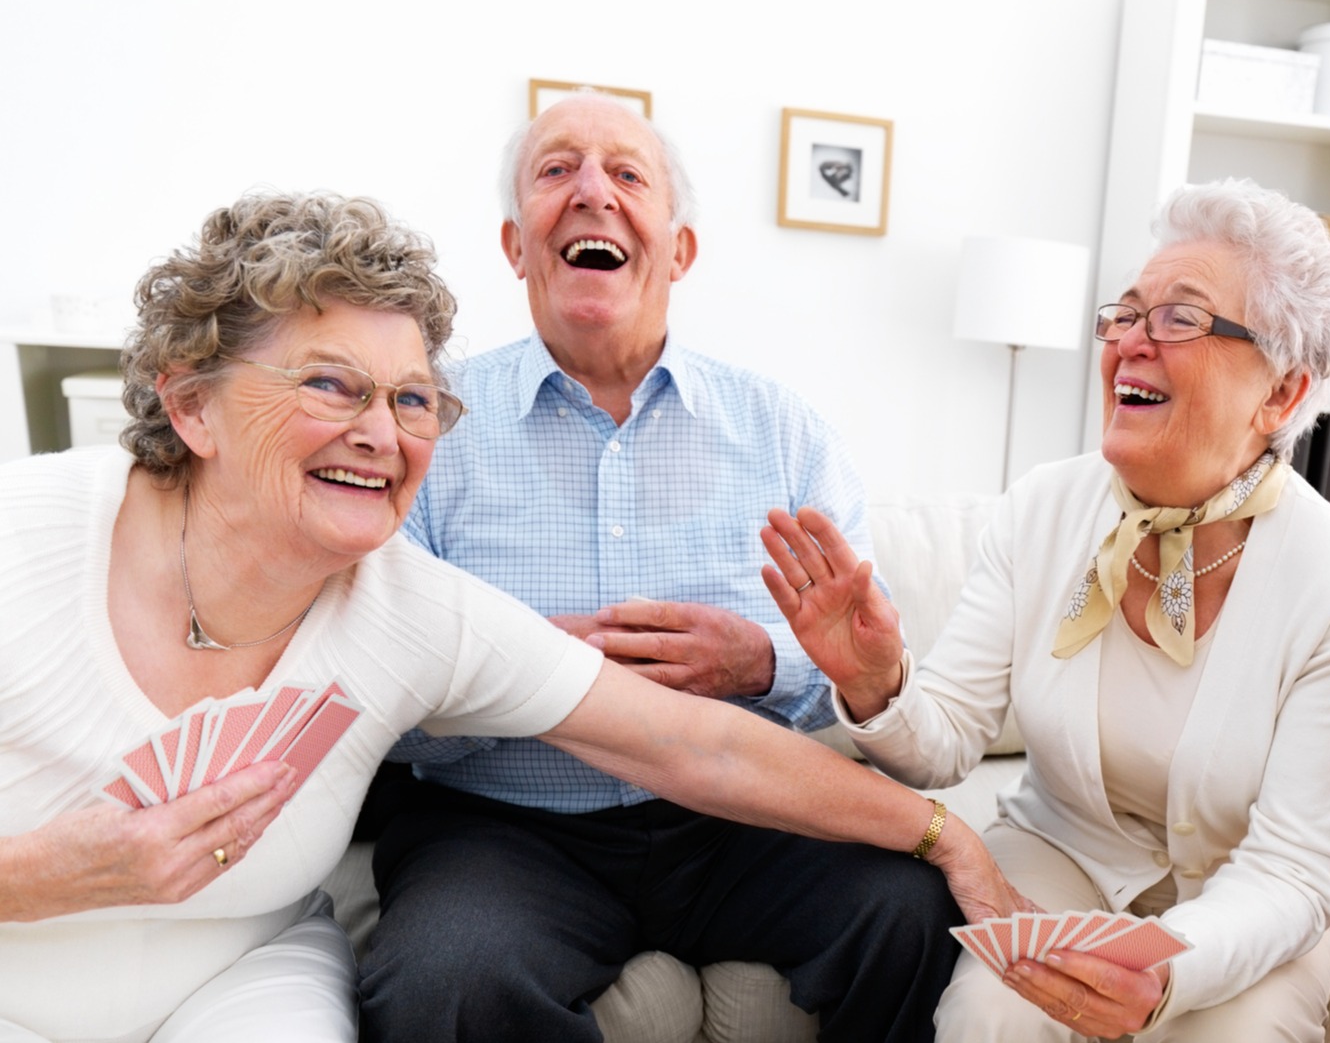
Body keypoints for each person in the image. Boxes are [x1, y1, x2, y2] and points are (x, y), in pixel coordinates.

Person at [0, 192, 1018, 1043]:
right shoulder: (28, 536)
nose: (381, 434)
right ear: (190, 407)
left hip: (237, 976)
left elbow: (690, 743)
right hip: (481, 834)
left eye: (409, 400)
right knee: (453, 968)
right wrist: (49, 872)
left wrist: (943, 835)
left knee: (899, 907)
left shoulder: (406, 606)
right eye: (328, 384)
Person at [356, 93, 966, 1043]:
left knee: (911, 911)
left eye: (627, 174)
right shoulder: (425, 428)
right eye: (557, 170)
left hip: (738, 815)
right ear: (517, 246)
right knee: (442, 977)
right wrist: (516, 671)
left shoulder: (784, 434)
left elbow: (846, 666)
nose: (592, 191)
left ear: (677, 250)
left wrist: (763, 663)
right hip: (506, 828)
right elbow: (380, 699)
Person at [761, 178, 1330, 1041]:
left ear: (1281, 394)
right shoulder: (1041, 509)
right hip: (1065, 854)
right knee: (989, 1016)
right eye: (1126, 315)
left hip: (1257, 896)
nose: (1132, 342)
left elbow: (1293, 866)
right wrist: (876, 683)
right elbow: (944, 738)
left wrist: (1166, 968)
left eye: (1180, 318)